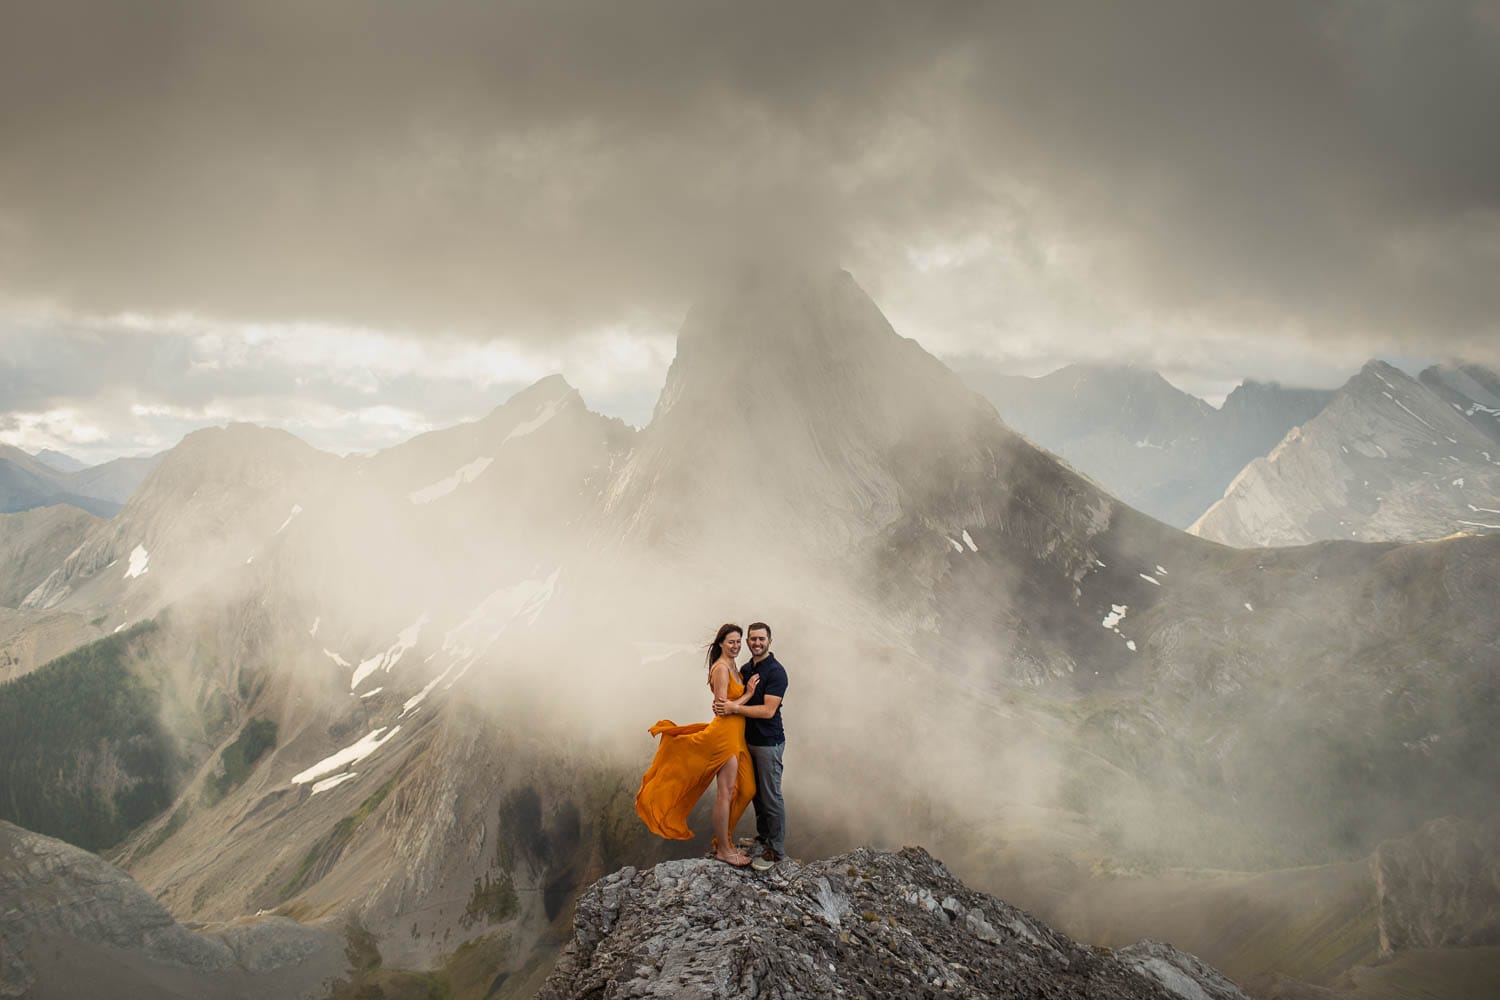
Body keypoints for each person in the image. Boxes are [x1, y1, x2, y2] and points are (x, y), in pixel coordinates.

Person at [635, 623, 761, 866]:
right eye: (731, 642)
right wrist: (749, 693)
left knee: (747, 789)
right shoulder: (721, 669)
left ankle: (724, 841)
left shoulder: (733, 665)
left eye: (738, 642)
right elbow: (723, 708)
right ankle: (724, 848)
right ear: (721, 643)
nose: (735, 646)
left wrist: (744, 694)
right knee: (726, 793)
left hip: (736, 736)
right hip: (723, 736)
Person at [713, 621, 787, 871]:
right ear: (748, 642)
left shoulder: (776, 672)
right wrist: (732, 703)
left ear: (769, 641)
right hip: (746, 740)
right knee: (754, 792)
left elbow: (768, 711)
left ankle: (775, 850)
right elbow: (724, 700)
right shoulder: (744, 668)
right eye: (752, 639)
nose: (756, 643)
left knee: (771, 795)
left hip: (768, 742)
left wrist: (734, 707)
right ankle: (764, 837)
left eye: (761, 639)